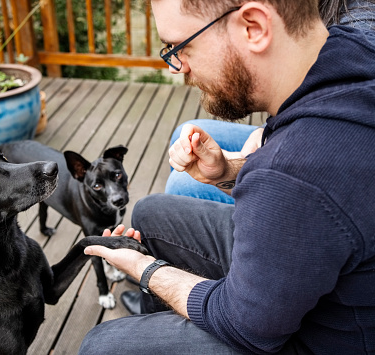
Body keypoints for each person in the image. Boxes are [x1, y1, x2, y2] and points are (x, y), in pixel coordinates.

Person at [79, 0, 375, 354]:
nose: (177, 66)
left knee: (101, 345)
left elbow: (246, 326)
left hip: (324, 337)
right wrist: (228, 171)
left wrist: (147, 271)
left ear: (253, 26)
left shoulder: (294, 169)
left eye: (179, 46)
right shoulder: (347, 50)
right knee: (150, 214)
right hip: (319, 268)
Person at [165, 0, 375, 204]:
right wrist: (264, 133)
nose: (175, 68)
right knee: (186, 136)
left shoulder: (360, 27)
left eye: (183, 47)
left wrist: (259, 153)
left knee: (180, 186)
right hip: (291, 133)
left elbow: (321, 146)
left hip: (324, 156)